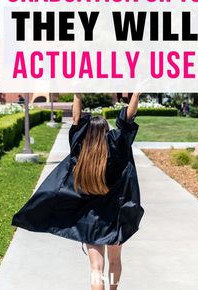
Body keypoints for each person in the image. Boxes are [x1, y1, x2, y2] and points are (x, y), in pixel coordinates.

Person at [11, 92, 145, 290]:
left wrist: (77, 93)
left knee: (95, 269)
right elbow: (126, 120)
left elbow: (76, 120)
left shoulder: (81, 153)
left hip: (90, 219)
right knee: (115, 262)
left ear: (87, 134)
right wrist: (136, 94)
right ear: (107, 132)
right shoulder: (116, 150)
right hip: (114, 219)